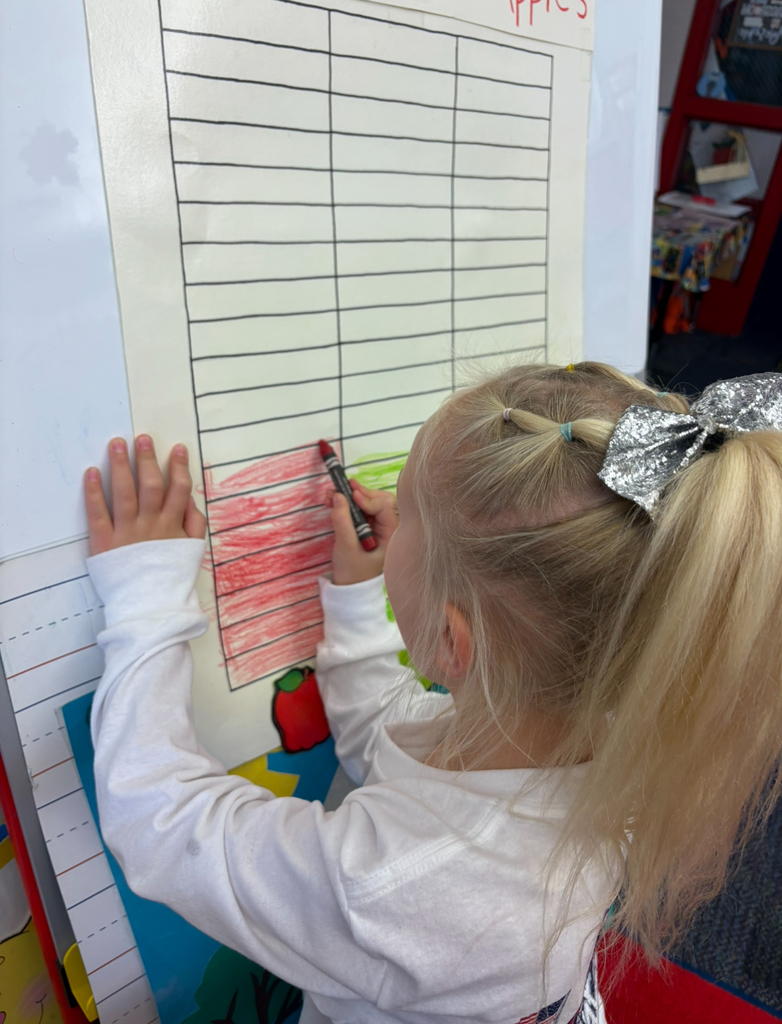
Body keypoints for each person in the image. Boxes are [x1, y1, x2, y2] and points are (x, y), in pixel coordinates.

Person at [82, 361, 782, 1024]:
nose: (389, 516)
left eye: (408, 513)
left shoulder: (396, 887)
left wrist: (144, 597)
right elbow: (388, 730)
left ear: (452, 643)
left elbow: (161, 822)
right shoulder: (607, 744)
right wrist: (360, 598)